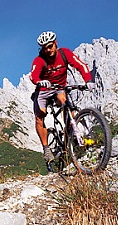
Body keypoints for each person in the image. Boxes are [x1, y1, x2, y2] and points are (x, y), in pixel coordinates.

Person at [29, 31, 94, 164]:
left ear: (56, 43)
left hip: (59, 88)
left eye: (50, 46)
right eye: (45, 48)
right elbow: (34, 75)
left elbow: (81, 65)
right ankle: (46, 148)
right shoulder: (39, 60)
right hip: (43, 90)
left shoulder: (65, 53)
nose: (48, 50)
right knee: (39, 116)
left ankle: (70, 133)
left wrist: (88, 80)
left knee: (65, 102)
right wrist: (39, 81)